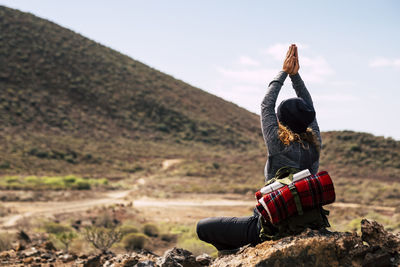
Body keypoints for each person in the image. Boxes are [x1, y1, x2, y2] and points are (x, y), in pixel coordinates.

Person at [196, 44, 322, 253]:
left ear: (281, 121)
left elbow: (266, 105)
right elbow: (310, 109)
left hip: (270, 226)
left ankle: (234, 257)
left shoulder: (279, 144)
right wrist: (296, 78)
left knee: (203, 228)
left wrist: (284, 72)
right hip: (302, 223)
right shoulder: (314, 144)